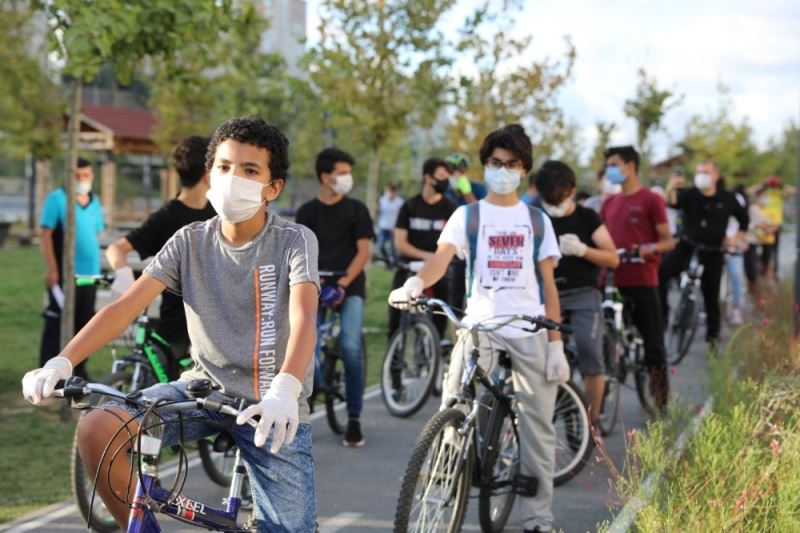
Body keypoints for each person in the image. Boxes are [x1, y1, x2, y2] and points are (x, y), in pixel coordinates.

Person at [22, 117, 320, 531]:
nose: (234, 178)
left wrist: (286, 390)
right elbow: (125, 307)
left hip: (269, 409)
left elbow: (305, 318)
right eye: (224, 166)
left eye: (250, 170)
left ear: (273, 188)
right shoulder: (189, 240)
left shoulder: (293, 240)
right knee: (97, 429)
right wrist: (62, 362)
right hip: (200, 391)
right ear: (209, 174)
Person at [390, 124, 568, 533]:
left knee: (538, 425)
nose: (501, 170)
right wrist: (417, 282)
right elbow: (441, 258)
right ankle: (445, 482)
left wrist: (555, 344)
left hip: (529, 329)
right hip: (479, 327)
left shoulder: (537, 221)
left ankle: (538, 519)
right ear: (484, 166)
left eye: (510, 164)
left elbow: (548, 286)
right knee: (453, 400)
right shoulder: (467, 215)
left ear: (523, 170)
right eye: (494, 163)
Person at [105, 136, 216, 359]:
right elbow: (117, 248)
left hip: (214, 325)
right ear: (207, 175)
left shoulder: (219, 214)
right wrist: (123, 272)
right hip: (176, 328)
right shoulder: (166, 217)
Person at [296, 147, 374, 448]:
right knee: (305, 353)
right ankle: (304, 413)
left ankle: (354, 418)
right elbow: (300, 255)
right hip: (314, 285)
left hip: (349, 285)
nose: (347, 178)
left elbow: (364, 251)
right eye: (342, 173)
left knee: (351, 346)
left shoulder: (357, 209)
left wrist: (341, 284)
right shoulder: (307, 213)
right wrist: (316, 284)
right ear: (325, 177)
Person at [535, 160, 619, 427]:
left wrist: (583, 251)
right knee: (535, 354)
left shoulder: (586, 217)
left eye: (559, 198)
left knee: (588, 349)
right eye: (549, 199)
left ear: (571, 191)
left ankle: (592, 422)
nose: (555, 204)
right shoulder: (535, 216)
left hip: (583, 292)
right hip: (546, 295)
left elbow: (612, 258)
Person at [600, 145, 674, 410]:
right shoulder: (609, 203)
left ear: (630, 166)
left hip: (642, 280)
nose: (610, 169)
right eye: (608, 165)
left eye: (614, 164)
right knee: (602, 336)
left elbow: (668, 241)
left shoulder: (650, 200)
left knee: (653, 343)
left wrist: (650, 248)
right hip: (610, 280)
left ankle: (661, 399)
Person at [661, 160, 748, 345]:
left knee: (711, 295)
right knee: (661, 272)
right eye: (699, 172)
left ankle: (712, 337)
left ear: (716, 175)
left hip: (713, 251)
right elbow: (673, 202)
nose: (701, 176)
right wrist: (671, 188)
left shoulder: (727, 198)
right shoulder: (690, 194)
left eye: (706, 172)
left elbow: (744, 220)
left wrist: (736, 239)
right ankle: (663, 315)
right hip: (687, 246)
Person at [38, 157, 104, 379]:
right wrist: (53, 269)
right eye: (77, 176)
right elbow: (45, 234)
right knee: (58, 324)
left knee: (84, 325)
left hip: (90, 274)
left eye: (86, 175)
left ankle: (78, 372)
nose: (82, 180)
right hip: (66, 275)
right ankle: (48, 373)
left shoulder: (94, 202)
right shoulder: (57, 199)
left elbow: (94, 234)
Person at [389, 157, 457, 339]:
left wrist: (436, 260)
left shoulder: (452, 209)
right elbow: (400, 244)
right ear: (428, 178)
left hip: (439, 271)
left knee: (439, 319)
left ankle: (436, 350)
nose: (446, 181)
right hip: (409, 268)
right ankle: (394, 362)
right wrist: (426, 256)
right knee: (396, 320)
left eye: (447, 176)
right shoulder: (409, 207)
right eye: (441, 176)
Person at [375, 183, 404, 266]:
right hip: (383, 226)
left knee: (393, 248)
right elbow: (378, 212)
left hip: (393, 228)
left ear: (394, 191)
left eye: (389, 191)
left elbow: (400, 216)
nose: (388, 193)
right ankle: (387, 260)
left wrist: (396, 227)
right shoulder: (382, 200)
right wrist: (377, 206)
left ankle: (393, 263)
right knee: (380, 246)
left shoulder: (399, 202)